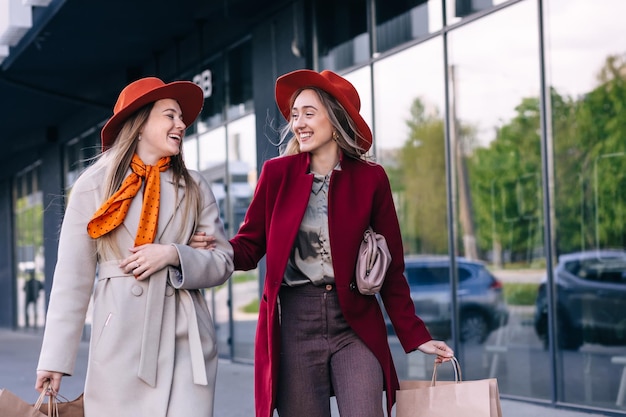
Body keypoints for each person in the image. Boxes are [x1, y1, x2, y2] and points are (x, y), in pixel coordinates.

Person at [191, 69, 454, 417]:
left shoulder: (371, 178)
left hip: (355, 323)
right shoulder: (276, 174)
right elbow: (250, 247)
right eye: (295, 115)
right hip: (295, 324)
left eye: (309, 113)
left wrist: (415, 334)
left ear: (336, 118)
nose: (298, 122)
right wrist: (217, 246)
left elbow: (391, 270)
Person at [35, 77, 234, 417]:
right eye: (170, 115)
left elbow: (222, 261)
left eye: (181, 118)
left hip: (186, 339)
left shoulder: (196, 186)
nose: (181, 124)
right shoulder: (95, 185)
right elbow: (72, 279)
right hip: (120, 339)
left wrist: (174, 254)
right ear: (140, 123)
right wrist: (55, 359)